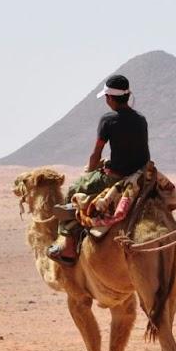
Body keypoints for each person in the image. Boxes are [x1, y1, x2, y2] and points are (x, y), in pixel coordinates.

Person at [47, 73, 152, 264]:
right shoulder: (141, 119)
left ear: (110, 98)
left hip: (116, 177)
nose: (106, 100)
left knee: (74, 189)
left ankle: (68, 245)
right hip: (141, 175)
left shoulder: (108, 120)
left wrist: (90, 172)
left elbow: (96, 153)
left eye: (106, 97)